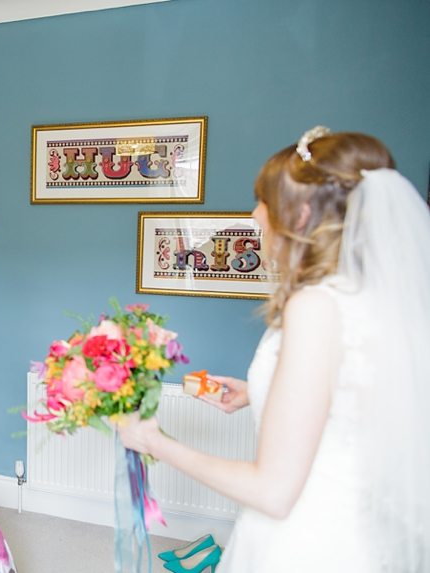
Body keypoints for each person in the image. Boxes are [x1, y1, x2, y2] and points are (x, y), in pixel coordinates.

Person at [119, 128, 429, 572]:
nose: (255, 214)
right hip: (358, 524)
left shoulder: (315, 306)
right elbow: (352, 399)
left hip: (311, 540)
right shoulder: (370, 296)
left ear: (300, 214)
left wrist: (153, 441)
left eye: (263, 200)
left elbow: (273, 492)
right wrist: (256, 391)